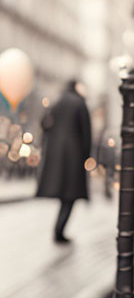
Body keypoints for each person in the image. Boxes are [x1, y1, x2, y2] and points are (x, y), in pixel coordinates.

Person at [36, 80, 92, 243]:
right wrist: (86, 155)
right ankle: (59, 230)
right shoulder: (80, 104)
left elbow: (44, 124)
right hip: (73, 156)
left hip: (56, 157)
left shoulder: (57, 102)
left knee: (65, 194)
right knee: (70, 195)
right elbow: (86, 132)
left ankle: (59, 230)